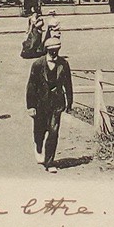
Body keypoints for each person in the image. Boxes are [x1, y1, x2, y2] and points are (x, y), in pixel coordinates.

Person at [25, 36, 73, 173]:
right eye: (52, 50)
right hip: (40, 104)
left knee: (53, 132)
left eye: (57, 50)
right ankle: (38, 146)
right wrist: (31, 106)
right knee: (39, 132)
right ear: (47, 50)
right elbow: (31, 86)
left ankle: (50, 162)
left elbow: (68, 84)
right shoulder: (38, 64)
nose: (54, 53)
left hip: (57, 104)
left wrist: (69, 102)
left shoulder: (63, 64)